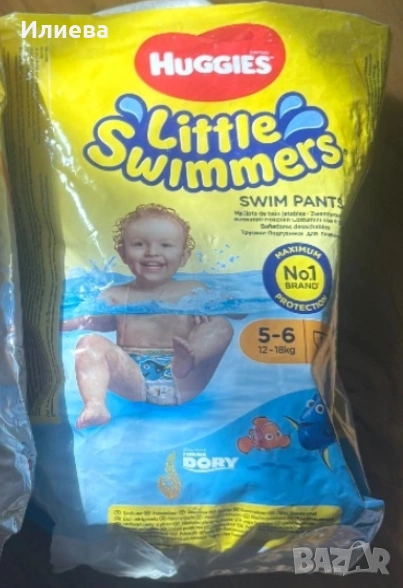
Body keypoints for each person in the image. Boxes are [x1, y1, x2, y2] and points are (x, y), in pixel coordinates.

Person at [63, 204, 234, 428]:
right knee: (89, 343)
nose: (152, 252)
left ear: (183, 256)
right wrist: (63, 324)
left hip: (185, 378)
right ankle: (95, 405)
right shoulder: (115, 295)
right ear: (123, 253)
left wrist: (210, 309)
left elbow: (237, 310)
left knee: (221, 324)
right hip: (132, 377)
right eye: (139, 244)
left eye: (166, 245)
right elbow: (91, 321)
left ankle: (190, 358)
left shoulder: (193, 290)